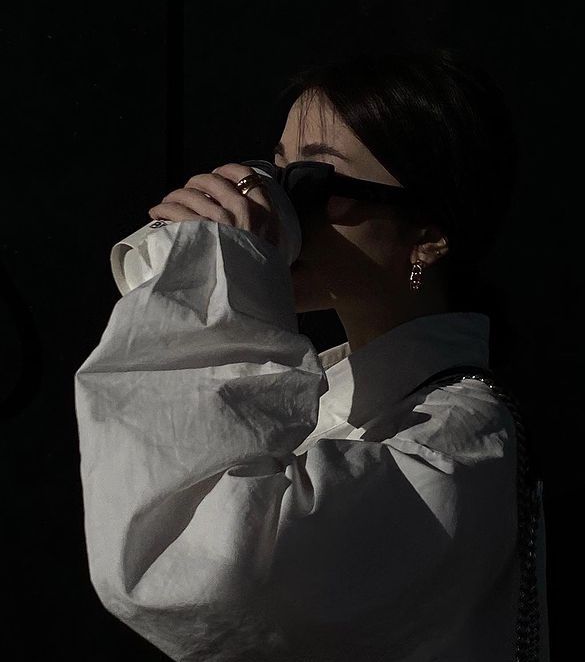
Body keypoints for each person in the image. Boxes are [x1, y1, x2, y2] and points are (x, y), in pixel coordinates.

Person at [74, 47, 550, 661]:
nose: (273, 203)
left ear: (427, 233)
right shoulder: (326, 392)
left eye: (311, 183)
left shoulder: (462, 438)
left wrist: (217, 292)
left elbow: (199, 571)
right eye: (272, 173)